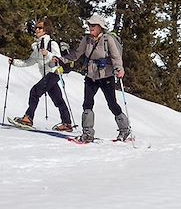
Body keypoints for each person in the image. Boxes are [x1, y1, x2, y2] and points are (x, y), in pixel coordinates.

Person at [52, 14, 128, 143]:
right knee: (87, 103)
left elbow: (116, 57)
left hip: (106, 76)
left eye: (94, 25)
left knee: (112, 104)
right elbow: (76, 54)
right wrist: (61, 60)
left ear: (100, 27)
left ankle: (125, 129)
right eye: (90, 25)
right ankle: (87, 133)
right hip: (91, 75)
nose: (91, 27)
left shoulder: (107, 39)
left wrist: (119, 69)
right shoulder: (86, 39)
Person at [9, 19, 73, 131]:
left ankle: (28, 118)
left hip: (53, 73)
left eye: (40, 28)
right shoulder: (37, 46)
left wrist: (48, 54)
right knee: (58, 100)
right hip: (48, 75)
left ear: (46, 30)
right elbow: (29, 61)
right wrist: (14, 62)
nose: (36, 29)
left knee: (35, 92)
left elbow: (57, 59)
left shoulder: (51, 43)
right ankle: (67, 124)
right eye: (36, 27)